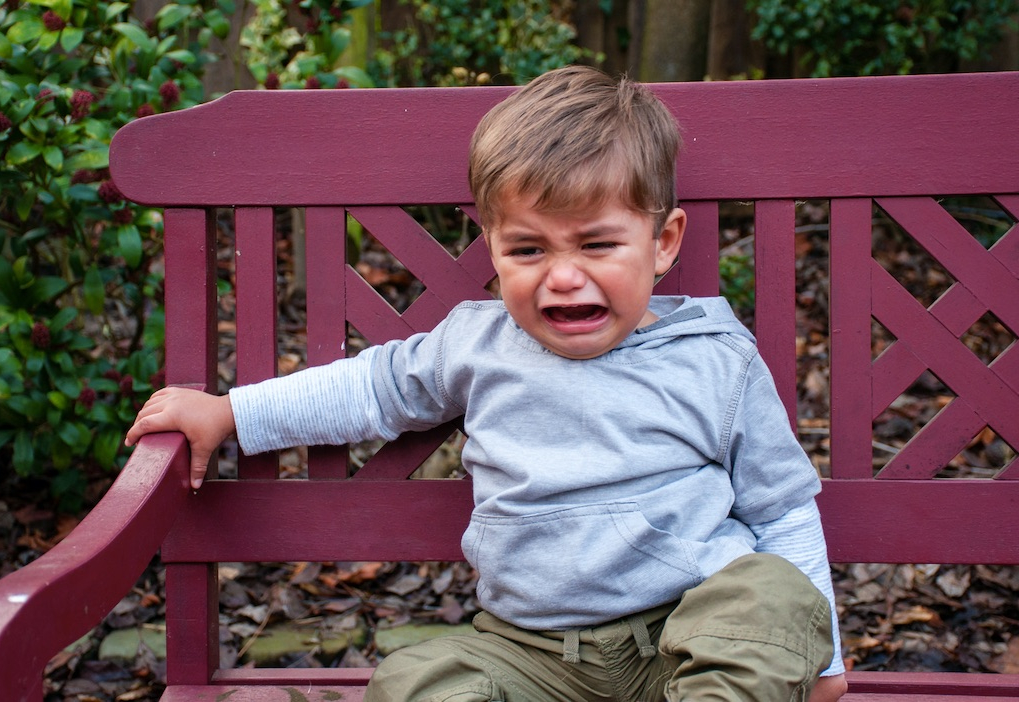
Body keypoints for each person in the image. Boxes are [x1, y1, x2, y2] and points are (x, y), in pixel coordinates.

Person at [127, 65, 848, 701]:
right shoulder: (477, 343)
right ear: (492, 247)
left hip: (686, 639)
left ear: (662, 243)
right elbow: (372, 390)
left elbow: (782, 510)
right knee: (413, 681)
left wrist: (823, 664)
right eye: (528, 249)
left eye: (597, 244)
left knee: (770, 595)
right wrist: (231, 413)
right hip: (529, 654)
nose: (563, 277)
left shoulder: (714, 359)